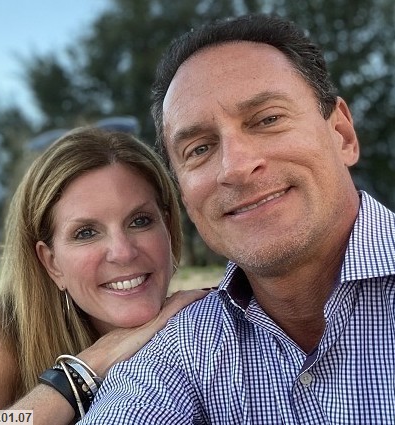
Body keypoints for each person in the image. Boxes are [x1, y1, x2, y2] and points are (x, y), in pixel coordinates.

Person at [78, 13, 395, 424]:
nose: (235, 167)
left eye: (267, 120)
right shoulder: (179, 352)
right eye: (199, 148)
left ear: (342, 135)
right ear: (184, 194)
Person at [0, 127, 209, 424]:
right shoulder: (6, 334)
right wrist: (84, 369)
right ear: (52, 263)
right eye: (86, 233)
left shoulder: (206, 330)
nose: (123, 252)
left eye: (140, 221)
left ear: (168, 228)